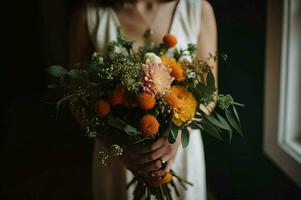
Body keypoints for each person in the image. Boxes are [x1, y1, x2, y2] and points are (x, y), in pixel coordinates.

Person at [69, 0, 217, 199]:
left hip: (178, 153)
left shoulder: (196, 9)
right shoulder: (89, 15)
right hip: (118, 159)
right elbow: (76, 99)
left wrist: (178, 135)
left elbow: (210, 95)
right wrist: (119, 147)